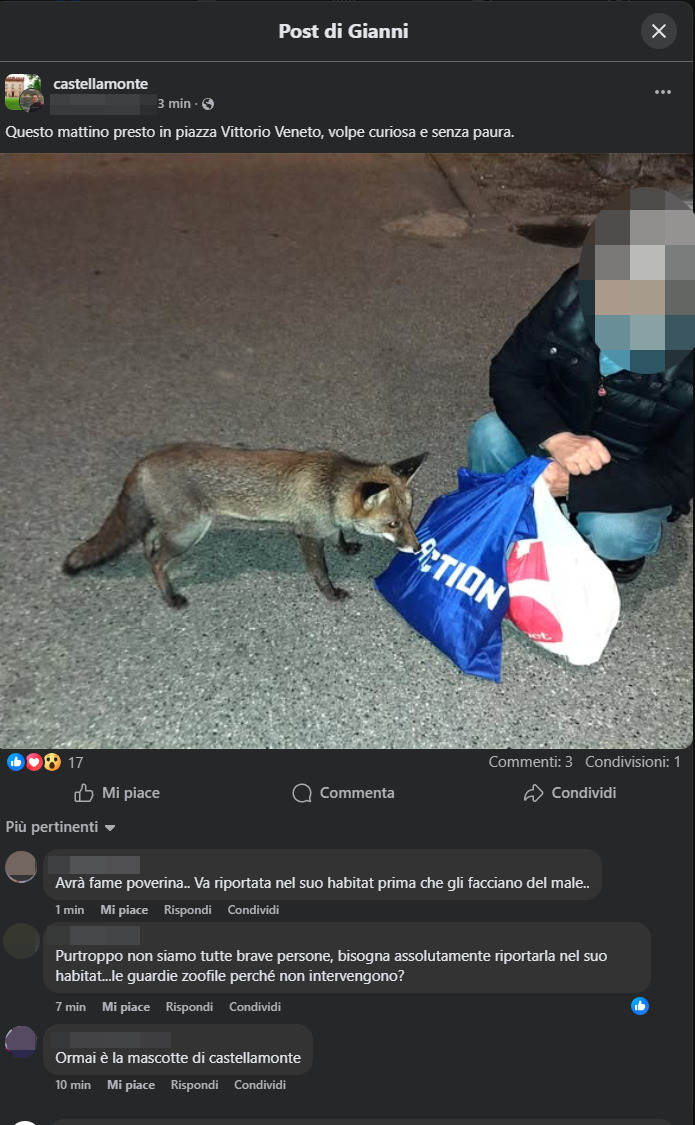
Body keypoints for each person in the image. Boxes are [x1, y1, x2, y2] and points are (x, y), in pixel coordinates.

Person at [467, 263, 693, 582]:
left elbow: (679, 476)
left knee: (617, 533)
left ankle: (595, 537)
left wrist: (574, 486)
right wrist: (554, 436)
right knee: (489, 435)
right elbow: (510, 371)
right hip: (558, 428)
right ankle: (501, 518)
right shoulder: (579, 286)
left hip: (634, 469)